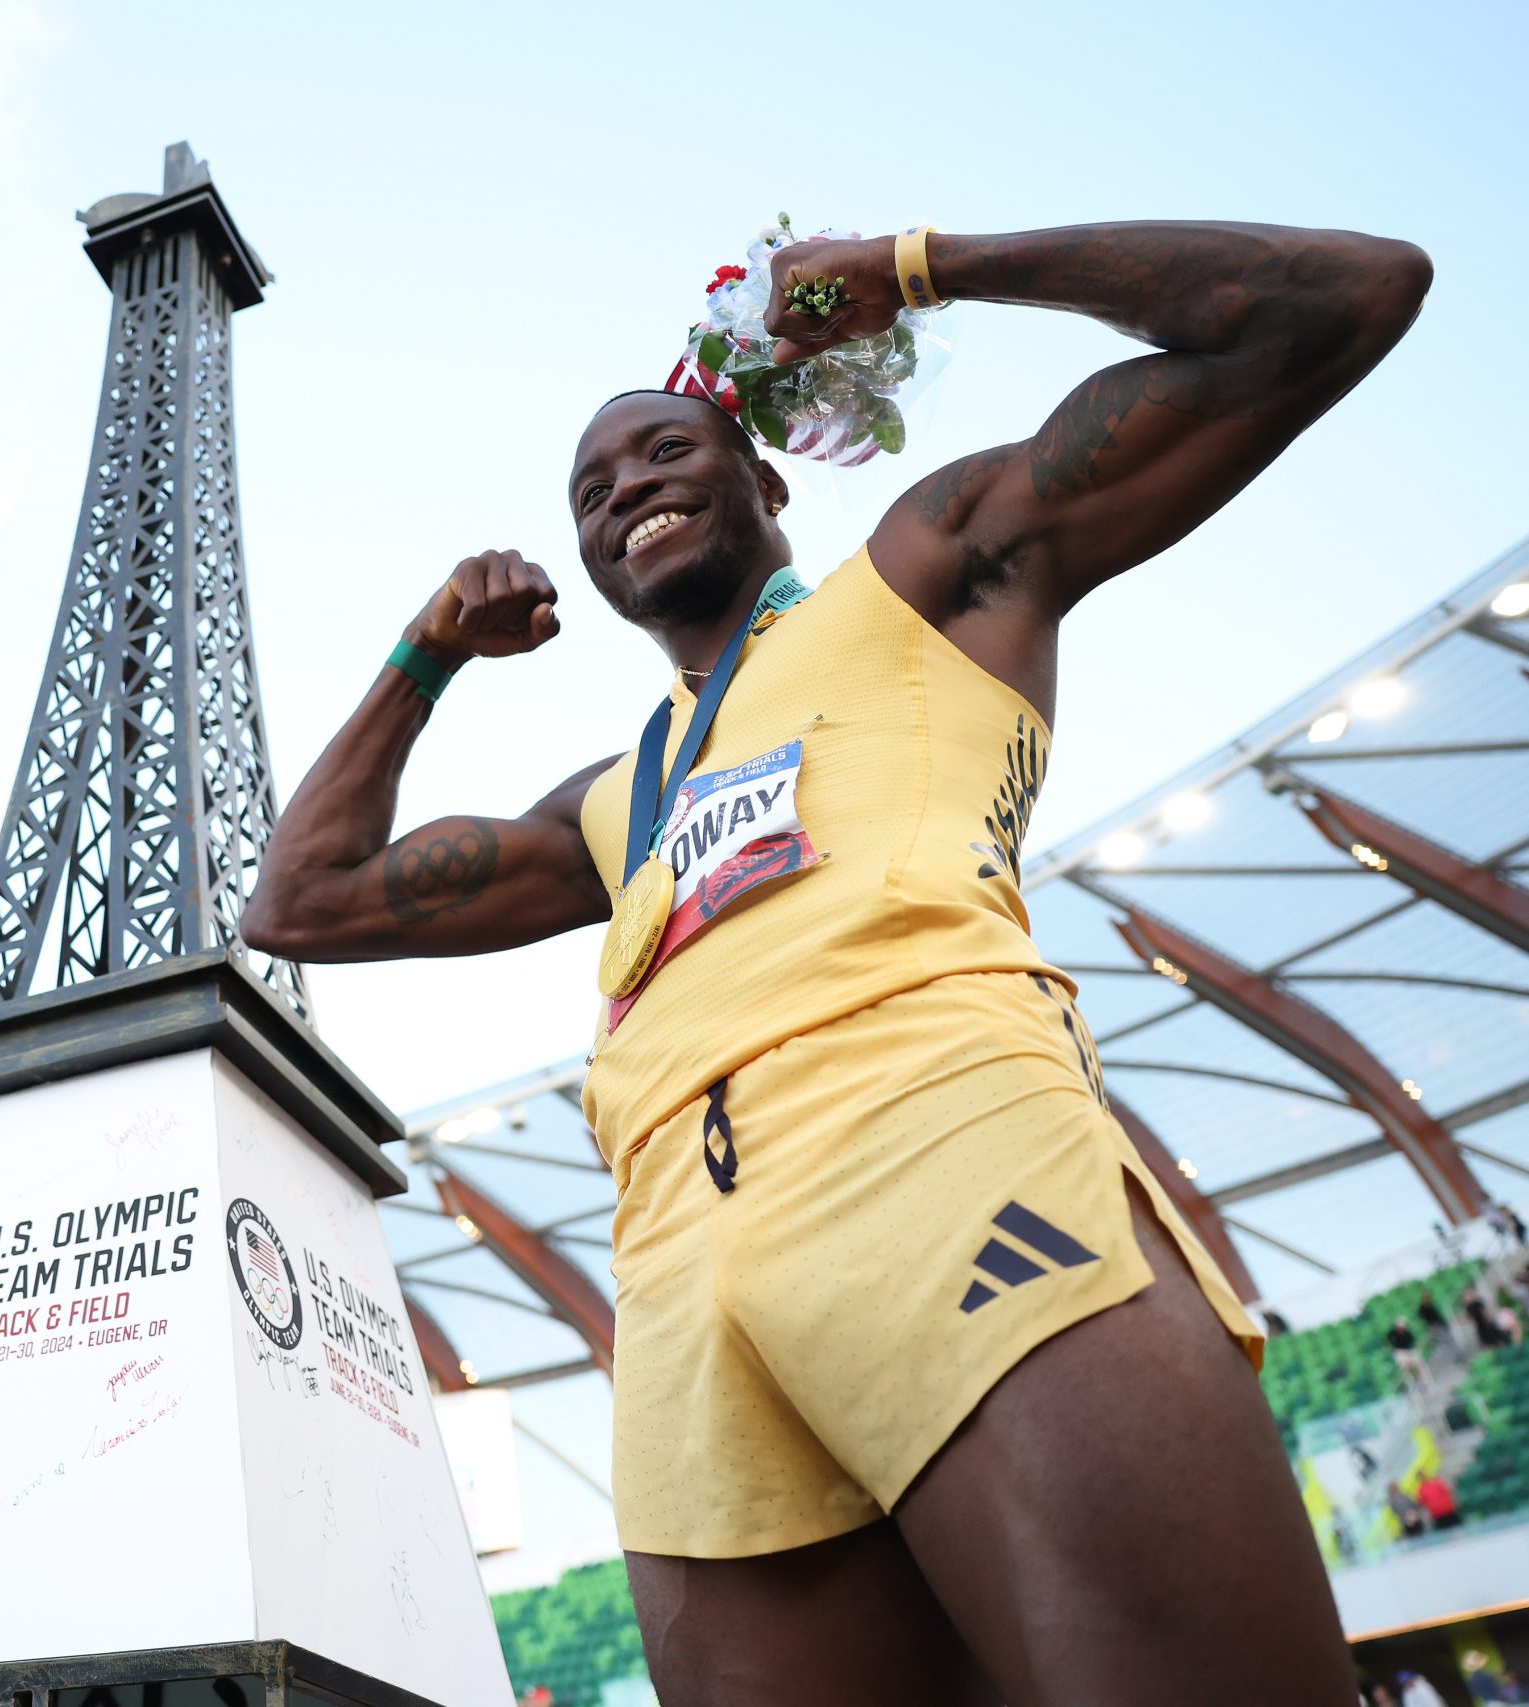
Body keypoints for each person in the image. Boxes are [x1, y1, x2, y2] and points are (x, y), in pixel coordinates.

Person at [244, 219, 1428, 1706]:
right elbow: (300, 903)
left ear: (767, 475)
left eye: (665, 452)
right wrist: (427, 650)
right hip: (675, 1263)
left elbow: (1338, 305)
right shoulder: (617, 798)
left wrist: (925, 267)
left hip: (924, 1126)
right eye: (592, 493)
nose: (628, 495)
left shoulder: (926, 569)